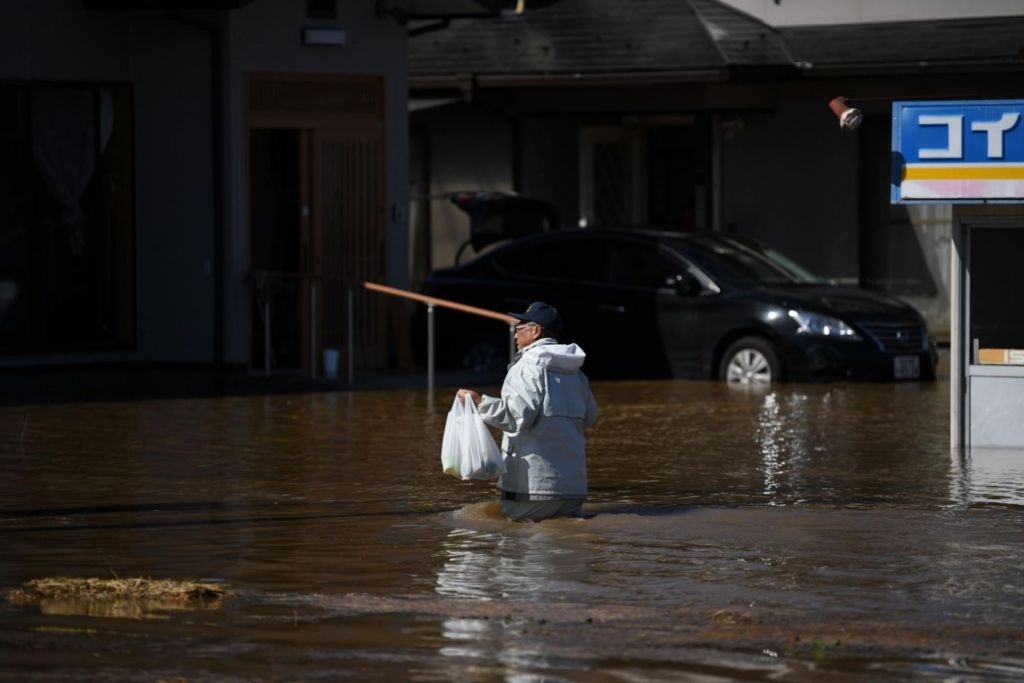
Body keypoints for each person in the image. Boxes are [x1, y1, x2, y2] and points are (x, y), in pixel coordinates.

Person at [457, 302, 598, 522]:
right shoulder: (577, 374)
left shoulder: (526, 366)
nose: (515, 334)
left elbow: (517, 417)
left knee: (518, 540)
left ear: (536, 331)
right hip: (573, 489)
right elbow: (590, 417)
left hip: (532, 487)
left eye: (519, 328)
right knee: (566, 538)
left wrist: (479, 402)